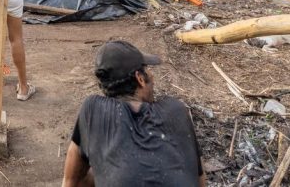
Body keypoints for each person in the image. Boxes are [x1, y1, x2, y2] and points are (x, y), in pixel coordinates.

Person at [63, 41, 205, 187]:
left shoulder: (92, 109)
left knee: (92, 174)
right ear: (140, 78)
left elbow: (70, 181)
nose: (153, 76)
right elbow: (200, 180)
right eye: (147, 69)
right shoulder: (176, 110)